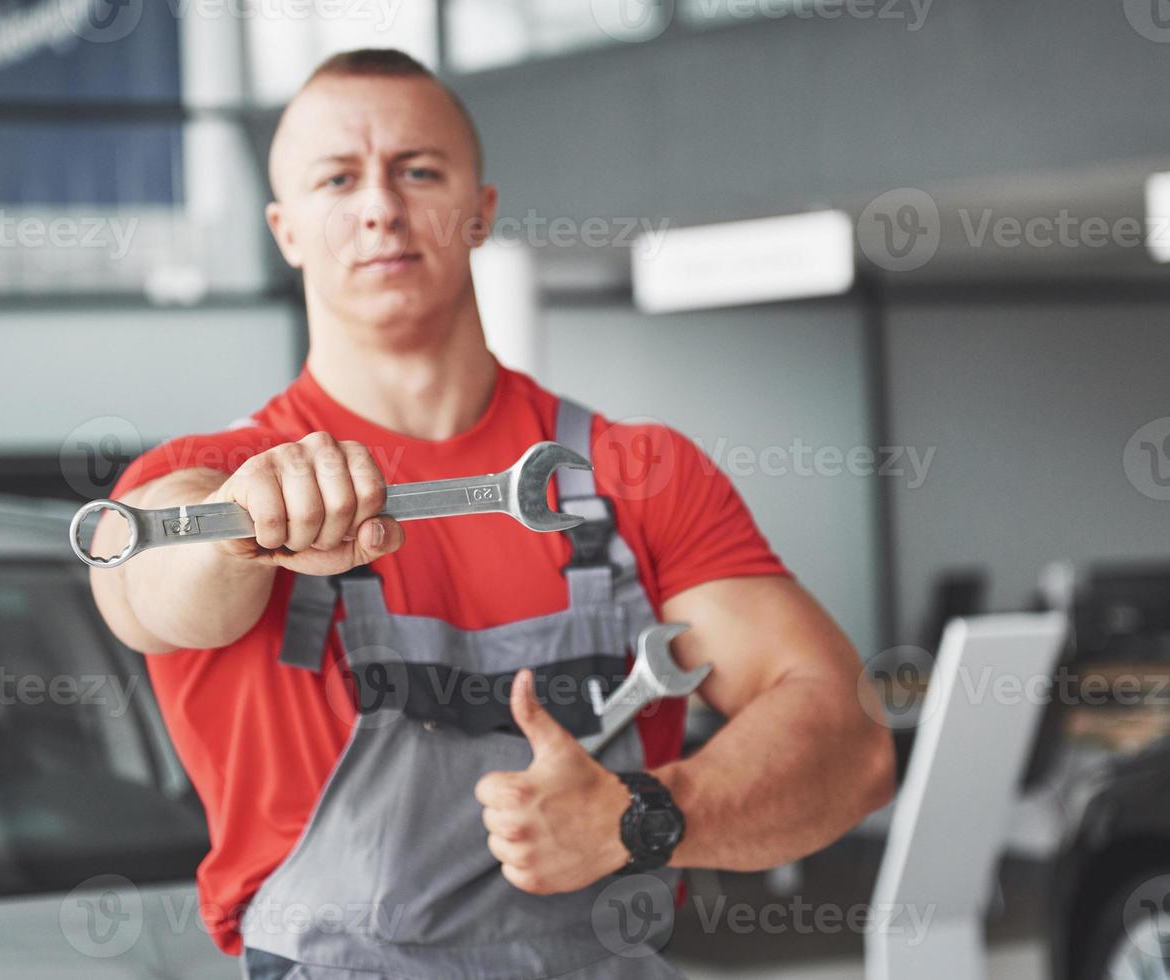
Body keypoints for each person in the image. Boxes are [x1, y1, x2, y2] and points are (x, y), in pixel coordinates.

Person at [89, 48, 895, 980]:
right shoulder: (211, 477)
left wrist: (640, 814)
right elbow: (142, 579)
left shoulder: (637, 474)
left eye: (418, 171)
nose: (381, 207)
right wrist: (239, 529)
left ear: (482, 211)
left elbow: (848, 737)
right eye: (337, 179)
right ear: (285, 229)